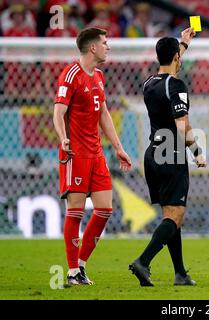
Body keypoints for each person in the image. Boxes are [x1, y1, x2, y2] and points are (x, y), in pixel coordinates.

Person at [53, 28, 132, 285]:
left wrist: (118, 147)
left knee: (105, 210)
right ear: (92, 48)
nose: (108, 47)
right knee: (75, 211)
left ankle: (82, 265)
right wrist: (63, 138)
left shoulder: (98, 76)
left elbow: (104, 114)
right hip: (75, 153)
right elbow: (58, 112)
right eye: (105, 43)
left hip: (96, 153)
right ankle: (72, 270)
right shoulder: (71, 75)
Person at [129, 28, 207, 287]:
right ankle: (143, 261)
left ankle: (180, 273)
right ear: (176, 57)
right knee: (175, 216)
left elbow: (170, 66)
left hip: (153, 154)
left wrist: (183, 43)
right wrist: (197, 152)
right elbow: (182, 126)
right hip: (171, 154)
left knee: (171, 215)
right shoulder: (177, 85)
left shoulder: (148, 83)